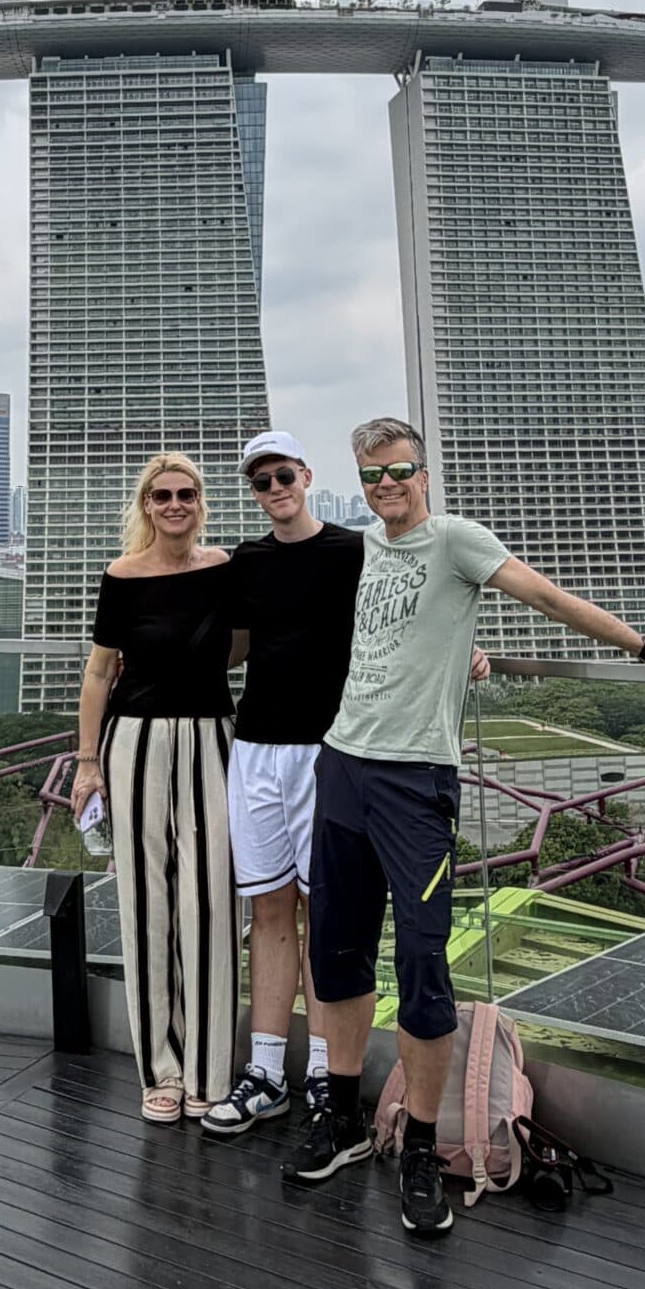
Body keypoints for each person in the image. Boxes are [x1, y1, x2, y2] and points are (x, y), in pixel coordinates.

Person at [287, 415, 645, 1235]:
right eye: (372, 476)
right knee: (335, 955)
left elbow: (547, 596)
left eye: (400, 471)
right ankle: (341, 1117)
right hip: (340, 766)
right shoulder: (363, 548)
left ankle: (421, 1147)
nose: (387, 486)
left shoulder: (455, 539)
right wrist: (462, 651)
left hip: (415, 781)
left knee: (423, 965)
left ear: (423, 474)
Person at [200, 430, 491, 1143]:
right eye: (261, 481)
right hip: (257, 747)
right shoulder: (247, 561)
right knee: (270, 910)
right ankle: (266, 1071)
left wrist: (465, 646)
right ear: (253, 492)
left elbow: (414, 605)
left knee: (327, 920)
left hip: (331, 752)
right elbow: (233, 646)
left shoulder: (354, 548)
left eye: (284, 475)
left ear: (307, 475)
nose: (275, 489)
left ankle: (329, 1080)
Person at [71, 452, 239, 1123]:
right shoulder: (122, 576)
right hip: (134, 741)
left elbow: (254, 638)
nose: (175, 505)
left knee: (212, 900)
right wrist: (87, 763)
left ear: (201, 503)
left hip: (213, 737)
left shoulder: (224, 569)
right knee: (145, 901)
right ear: (146, 505)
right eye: (162, 495)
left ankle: (209, 1068)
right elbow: (98, 673)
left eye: (186, 494)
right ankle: (161, 1070)